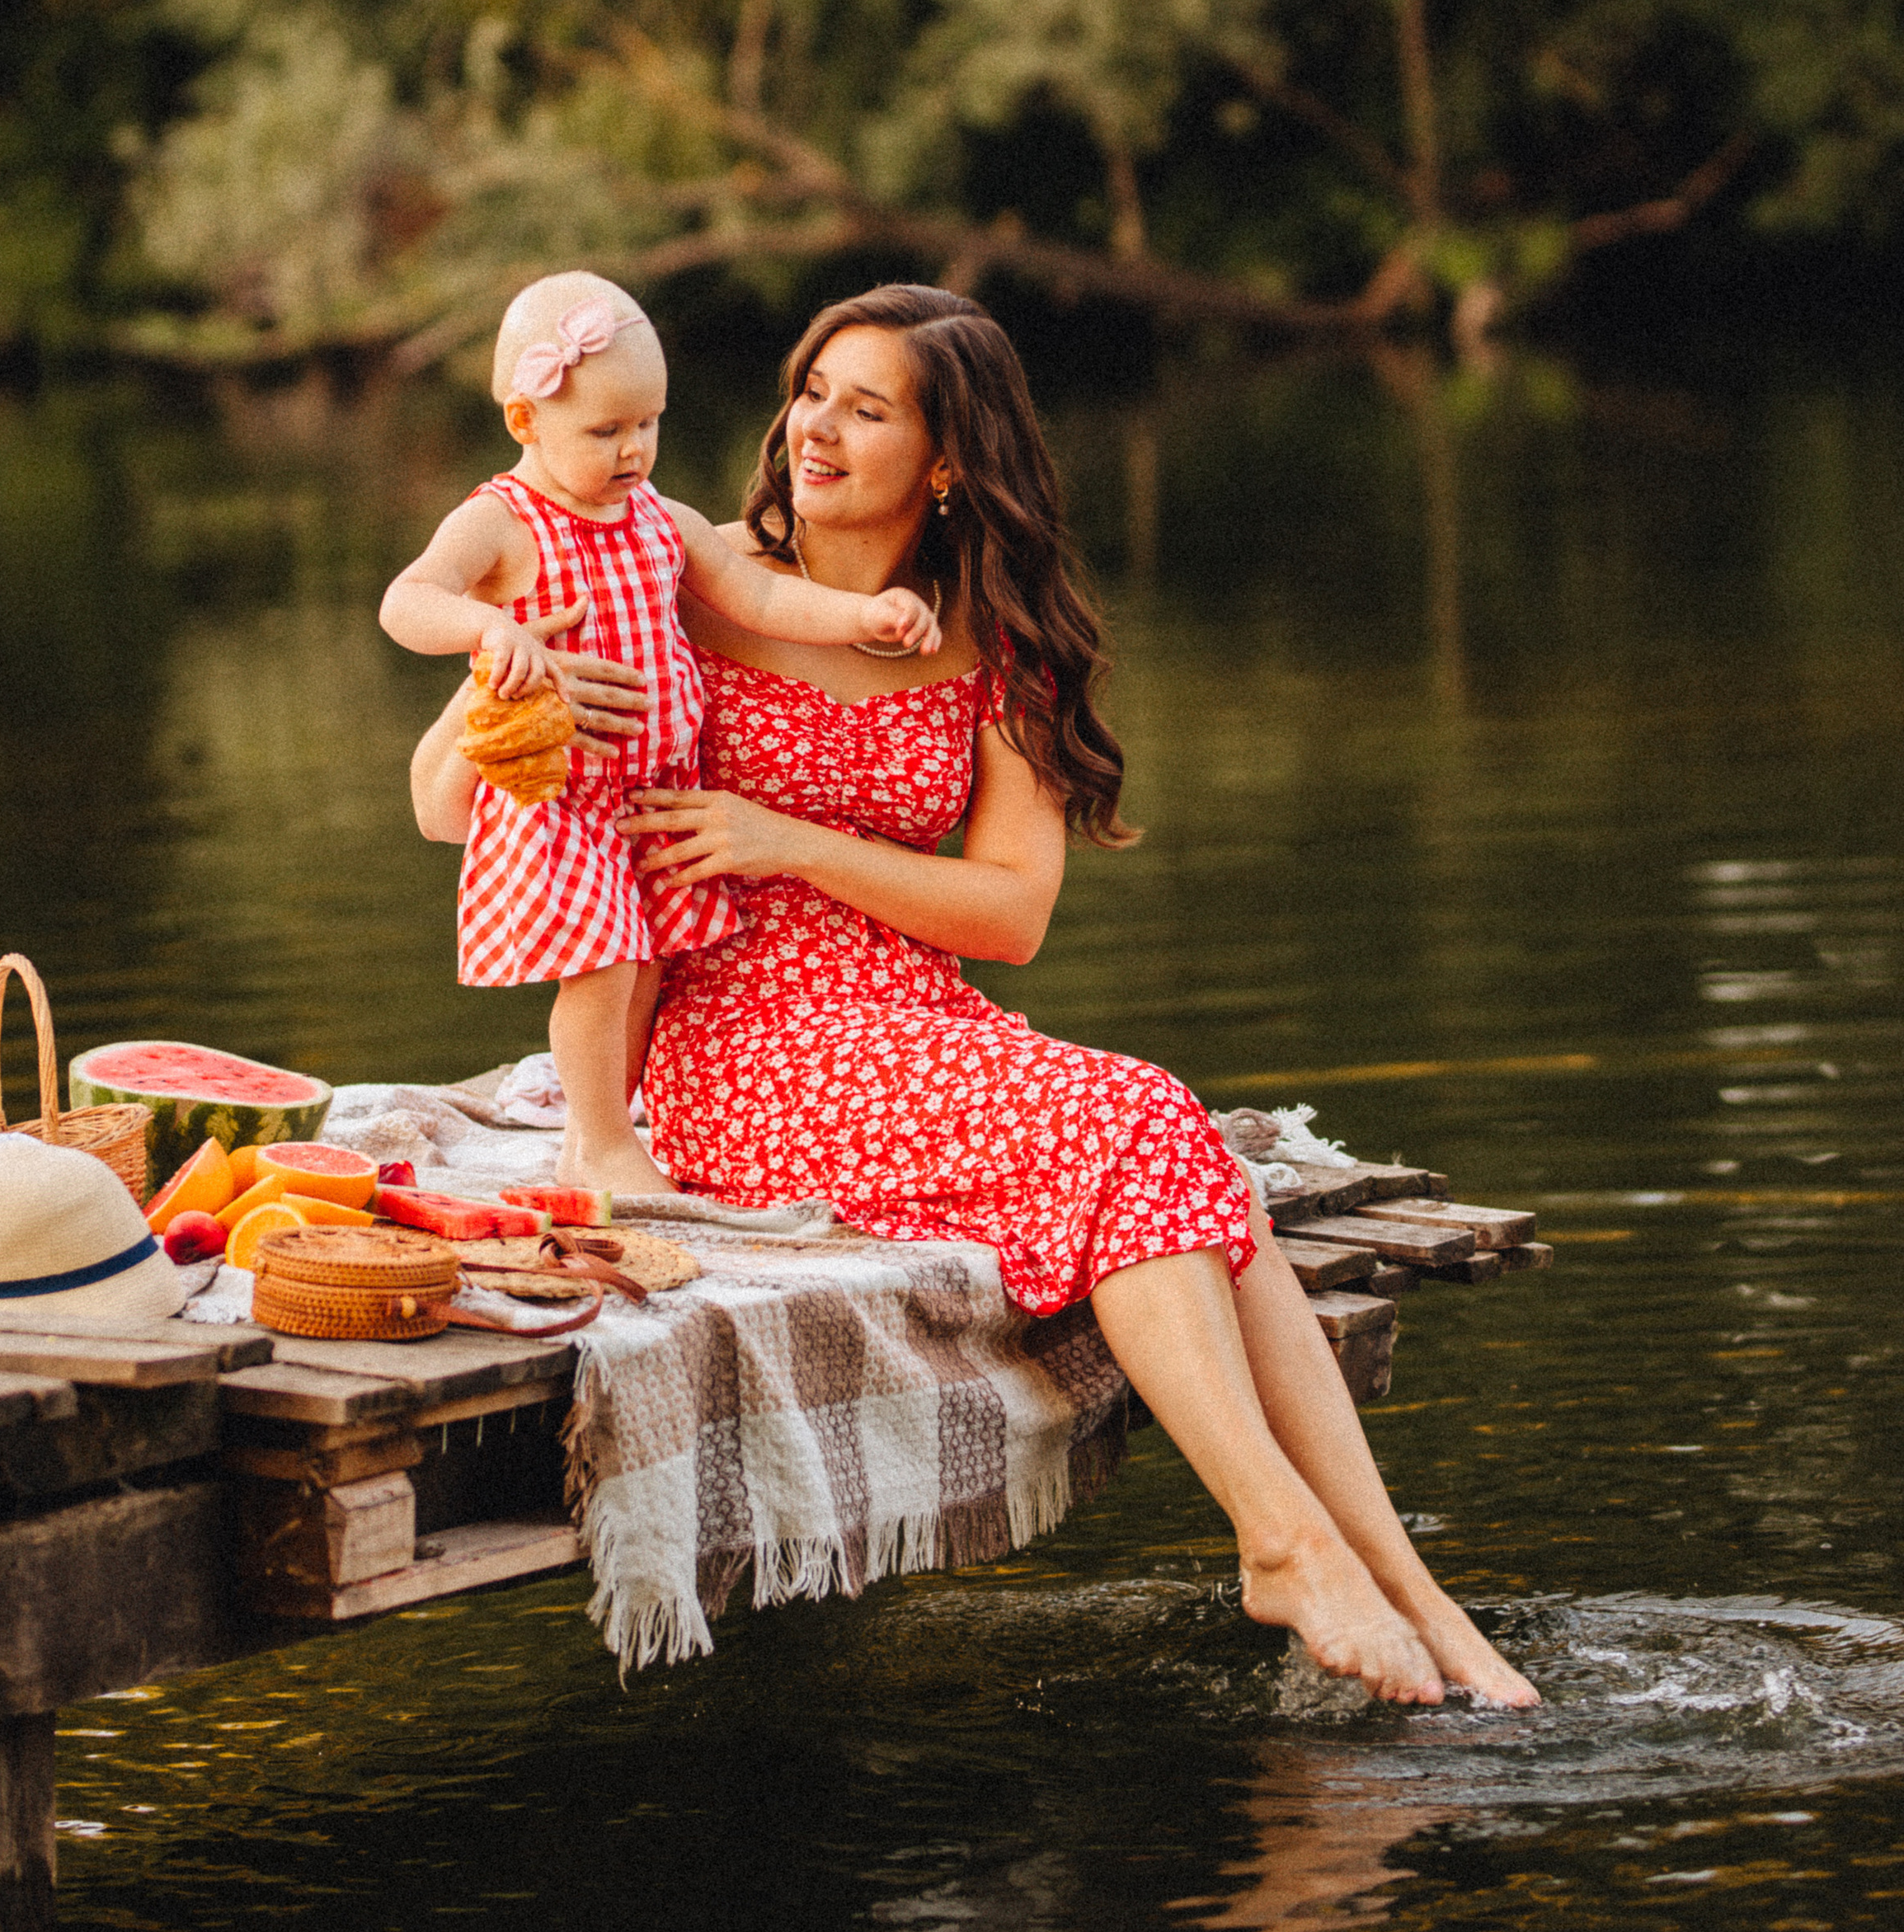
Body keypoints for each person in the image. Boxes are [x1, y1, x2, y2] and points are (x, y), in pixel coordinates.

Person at [411, 284, 1538, 1709]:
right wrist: (512, 681)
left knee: (1177, 1153)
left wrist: (791, 839)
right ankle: (1279, 1539)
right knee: (1148, 1128)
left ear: (946, 459)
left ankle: (1411, 1595)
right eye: (812, 390)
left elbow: (1012, 912)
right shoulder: (675, 568)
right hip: (728, 1049)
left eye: (864, 407)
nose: (813, 427)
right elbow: (445, 808)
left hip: (919, 1028)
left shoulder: (994, 638)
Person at [379, 270, 939, 1192]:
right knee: (603, 968)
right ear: (524, 422)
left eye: (648, 424)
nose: (634, 449)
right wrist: (494, 630)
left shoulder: (657, 521)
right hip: (561, 802)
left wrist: (861, 616)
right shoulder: (503, 522)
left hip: (646, 800)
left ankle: (595, 1137)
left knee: (648, 970)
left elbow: (757, 595)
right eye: (605, 432)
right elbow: (408, 600)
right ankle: (601, 1141)